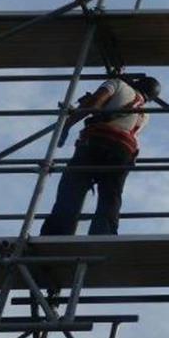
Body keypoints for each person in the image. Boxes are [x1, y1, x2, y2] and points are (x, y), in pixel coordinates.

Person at [40, 74, 160, 236]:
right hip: (124, 152)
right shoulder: (145, 114)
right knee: (111, 196)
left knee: (72, 188)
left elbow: (94, 104)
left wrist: (66, 125)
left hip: (97, 141)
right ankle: (104, 235)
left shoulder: (117, 84)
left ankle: (57, 233)